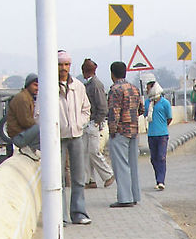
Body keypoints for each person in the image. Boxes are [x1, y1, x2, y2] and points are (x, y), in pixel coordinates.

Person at [56, 50, 92, 225]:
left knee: (78, 176)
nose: (63, 68)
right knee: (58, 179)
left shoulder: (78, 86)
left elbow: (86, 109)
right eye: (60, 65)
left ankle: (78, 212)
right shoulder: (48, 87)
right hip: (58, 138)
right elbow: (38, 115)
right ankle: (60, 215)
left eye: (66, 65)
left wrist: (79, 123)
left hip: (76, 135)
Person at [106, 61, 144, 208]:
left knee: (121, 165)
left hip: (121, 131)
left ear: (112, 74)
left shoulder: (115, 90)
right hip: (134, 130)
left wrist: (112, 130)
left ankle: (124, 198)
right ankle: (135, 195)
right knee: (133, 165)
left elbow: (114, 112)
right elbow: (141, 109)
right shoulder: (134, 88)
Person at [81, 58, 115, 190]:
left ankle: (108, 174)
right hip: (88, 122)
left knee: (93, 151)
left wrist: (97, 122)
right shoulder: (90, 84)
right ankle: (89, 179)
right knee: (86, 152)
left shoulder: (95, 85)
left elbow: (102, 106)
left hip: (93, 123)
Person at [145, 82, 172, 190]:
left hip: (162, 135)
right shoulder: (148, 103)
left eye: (148, 89)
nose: (147, 91)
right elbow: (145, 114)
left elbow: (169, 118)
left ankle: (161, 180)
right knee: (153, 158)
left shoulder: (165, 103)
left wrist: (163, 127)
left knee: (161, 157)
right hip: (151, 134)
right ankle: (158, 178)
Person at [6, 73, 40, 160]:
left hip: (22, 135)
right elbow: (25, 122)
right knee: (42, 127)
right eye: (35, 85)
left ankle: (32, 148)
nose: (37, 88)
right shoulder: (23, 98)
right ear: (28, 85)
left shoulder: (28, 97)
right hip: (19, 137)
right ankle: (27, 148)